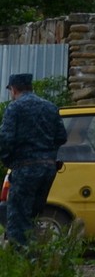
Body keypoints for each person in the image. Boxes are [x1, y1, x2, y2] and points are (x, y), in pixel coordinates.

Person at [0, 73, 65, 249]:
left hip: (25, 169)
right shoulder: (50, 107)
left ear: (13, 89)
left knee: (17, 220)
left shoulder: (15, 108)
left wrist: (7, 161)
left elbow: (5, 140)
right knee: (33, 216)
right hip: (48, 170)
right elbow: (62, 137)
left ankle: (22, 262)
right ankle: (37, 259)